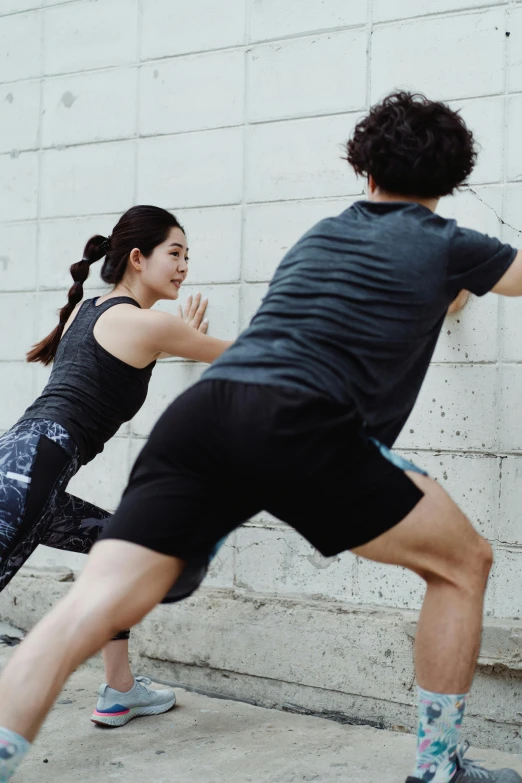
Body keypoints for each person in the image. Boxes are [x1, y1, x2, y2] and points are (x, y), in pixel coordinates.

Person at [0, 92, 520, 783]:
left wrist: (454, 288)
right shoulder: (451, 244)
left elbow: (406, 289)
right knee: (463, 562)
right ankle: (439, 766)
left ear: (365, 172)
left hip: (205, 418)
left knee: (87, 608)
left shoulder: (322, 235)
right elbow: (486, 278)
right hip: (305, 425)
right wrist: (469, 276)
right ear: (452, 180)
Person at [0, 204, 233, 730]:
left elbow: (111, 365)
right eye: (174, 253)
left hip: (22, 462)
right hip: (28, 476)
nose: (183, 266)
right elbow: (246, 354)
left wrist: (177, 340)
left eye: (187, 257)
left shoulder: (94, 310)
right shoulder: (145, 323)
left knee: (119, 553)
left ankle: (119, 689)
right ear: (136, 257)